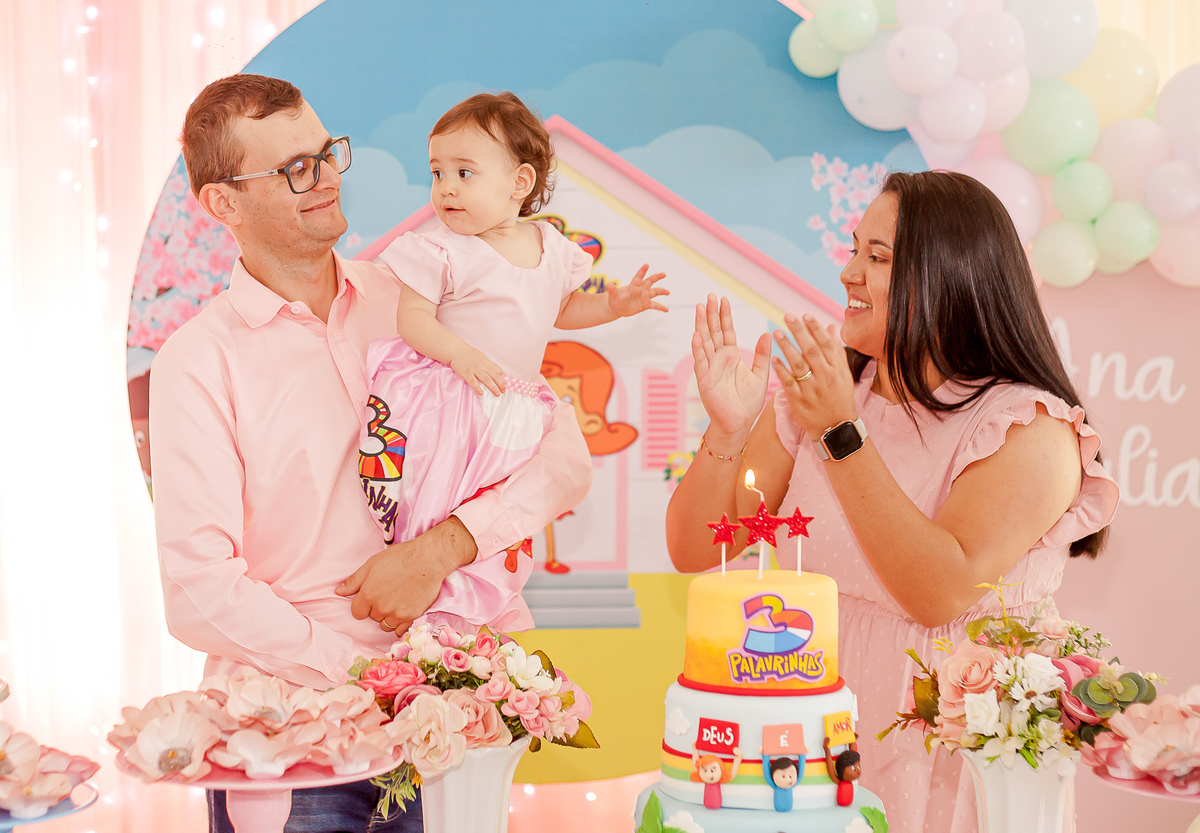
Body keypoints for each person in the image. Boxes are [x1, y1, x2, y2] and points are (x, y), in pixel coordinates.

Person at [151, 74, 592, 833]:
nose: (326, 178)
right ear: (223, 203)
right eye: (296, 168)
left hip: (451, 725)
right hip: (291, 742)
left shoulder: (420, 297)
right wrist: (361, 674)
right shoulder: (198, 361)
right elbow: (197, 586)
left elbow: (561, 459)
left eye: (327, 153)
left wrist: (442, 550)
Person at [665, 171, 1119, 833]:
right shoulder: (823, 396)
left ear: (949, 277)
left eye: (877, 257)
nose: (848, 272)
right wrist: (730, 430)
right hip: (817, 732)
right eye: (855, 250)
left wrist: (840, 433)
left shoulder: (1029, 427)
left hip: (946, 746)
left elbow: (938, 591)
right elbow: (695, 547)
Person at [360, 92, 666, 623]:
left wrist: (613, 306)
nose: (446, 187)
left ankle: (468, 611)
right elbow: (414, 320)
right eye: (437, 173)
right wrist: (459, 354)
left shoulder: (551, 247)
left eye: (464, 172)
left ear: (519, 183)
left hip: (515, 407)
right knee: (434, 502)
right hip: (451, 399)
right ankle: (420, 600)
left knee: (494, 515)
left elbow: (561, 309)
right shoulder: (441, 249)